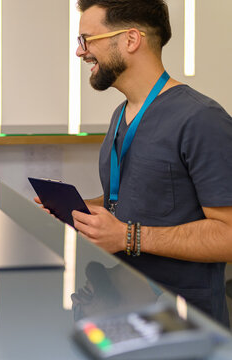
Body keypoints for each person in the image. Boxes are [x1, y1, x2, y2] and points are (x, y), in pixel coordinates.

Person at [38, 0, 232, 326]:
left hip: (183, 323)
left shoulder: (202, 119)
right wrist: (79, 211)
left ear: (130, 39)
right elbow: (133, 198)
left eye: (88, 39)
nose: (80, 52)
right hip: (125, 307)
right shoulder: (121, 114)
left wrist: (129, 237)